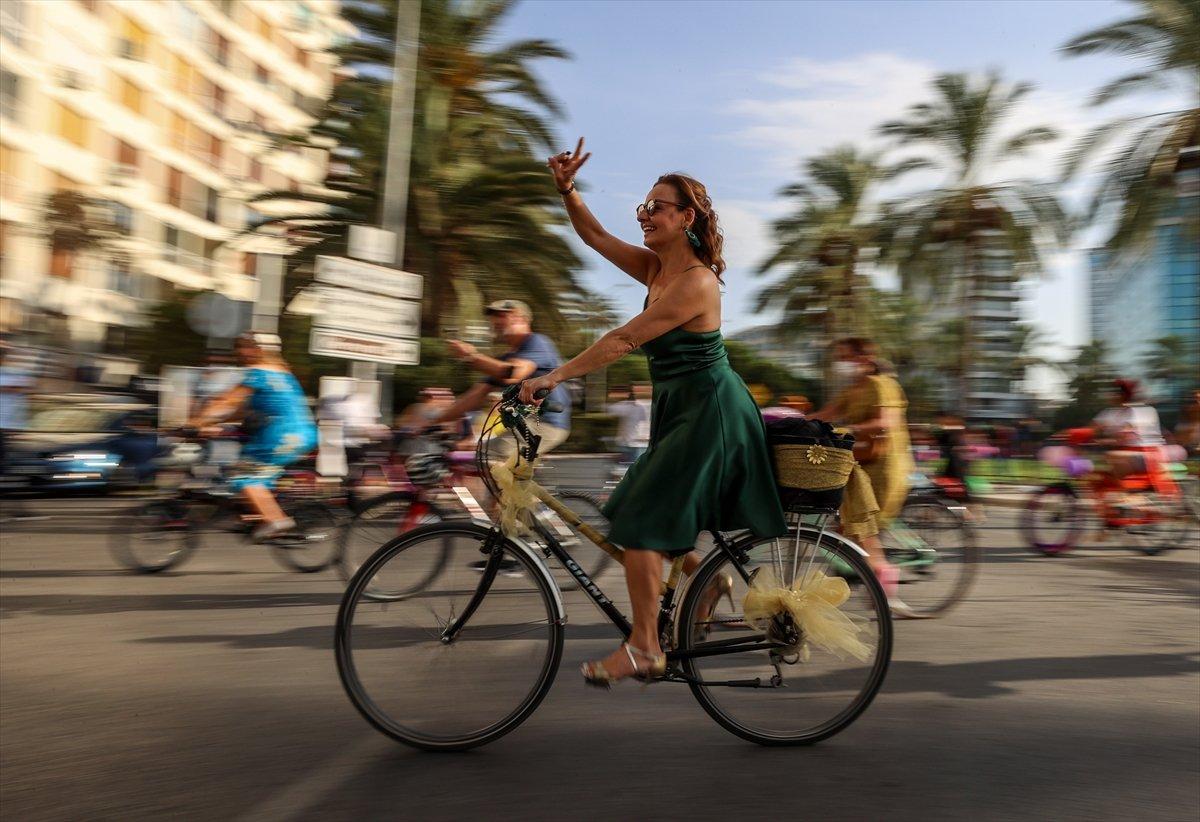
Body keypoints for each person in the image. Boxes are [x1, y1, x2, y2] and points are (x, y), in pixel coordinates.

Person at [519, 138, 786, 686]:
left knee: (642, 526)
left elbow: (624, 340)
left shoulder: (696, 281)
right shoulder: (655, 269)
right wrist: (567, 190)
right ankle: (707, 583)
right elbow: (595, 237)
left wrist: (554, 375)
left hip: (710, 412)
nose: (644, 215)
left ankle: (644, 647)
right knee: (632, 514)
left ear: (687, 217)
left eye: (656, 207)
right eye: (642, 207)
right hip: (681, 410)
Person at [810, 337, 915, 616]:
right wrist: (793, 421)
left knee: (860, 527)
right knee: (847, 529)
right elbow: (825, 414)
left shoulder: (883, 385)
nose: (842, 363)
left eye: (847, 357)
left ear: (865, 359)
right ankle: (854, 584)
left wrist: (850, 426)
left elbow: (886, 422)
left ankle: (883, 586)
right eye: (839, 358)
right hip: (860, 465)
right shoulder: (851, 390)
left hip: (884, 467)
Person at [188, 332, 318, 541]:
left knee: (242, 475)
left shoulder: (258, 373)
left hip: (279, 435)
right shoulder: (284, 373)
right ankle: (260, 514)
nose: (241, 351)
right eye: (240, 346)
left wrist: (195, 423)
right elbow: (241, 409)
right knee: (258, 472)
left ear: (261, 350)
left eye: (247, 346)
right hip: (303, 433)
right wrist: (213, 422)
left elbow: (228, 401)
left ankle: (275, 520)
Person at [436, 299, 572, 462]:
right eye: (493, 317)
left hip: (546, 423)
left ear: (522, 319)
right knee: (477, 458)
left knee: (489, 455)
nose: (496, 321)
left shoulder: (537, 342)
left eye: (502, 315)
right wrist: (432, 422)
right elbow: (474, 396)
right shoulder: (507, 358)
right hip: (526, 423)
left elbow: (512, 373)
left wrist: (470, 356)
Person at [0, 342, 45, 521]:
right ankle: (17, 508)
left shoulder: (13, 373)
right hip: (3, 429)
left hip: (8, 430)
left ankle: (18, 507)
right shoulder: (10, 376)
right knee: (7, 469)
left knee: (10, 469)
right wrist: (18, 388)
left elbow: (30, 393)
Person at [1094, 378, 1165, 479]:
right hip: (1129, 455)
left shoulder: (1143, 411)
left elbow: (1123, 436)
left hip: (1148, 456)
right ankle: (1115, 487)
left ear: (1122, 395)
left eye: (1113, 392)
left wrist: (1103, 441)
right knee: (1101, 468)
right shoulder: (1110, 412)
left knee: (1111, 456)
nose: (1108, 394)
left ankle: (1118, 488)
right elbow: (1092, 428)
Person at [607, 383, 651, 465]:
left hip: (631, 443)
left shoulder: (632, 406)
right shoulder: (638, 407)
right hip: (632, 443)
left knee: (626, 466)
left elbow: (610, 410)